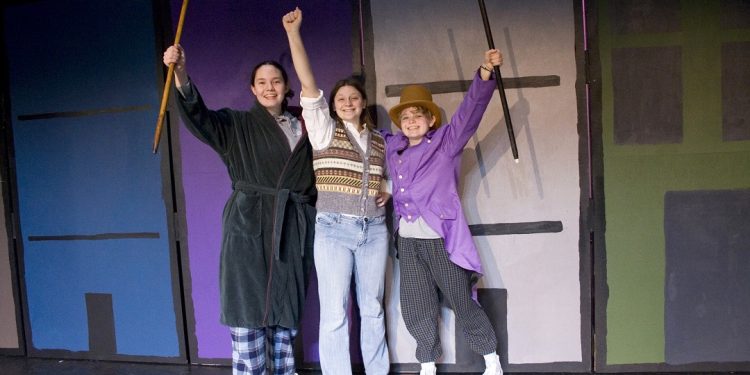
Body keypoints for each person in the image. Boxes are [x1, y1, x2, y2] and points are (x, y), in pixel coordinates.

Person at [163, 44, 317, 375]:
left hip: (292, 228)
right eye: (261, 82)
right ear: (252, 88)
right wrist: (180, 72)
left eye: (275, 81)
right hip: (249, 227)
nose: (269, 87)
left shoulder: (306, 126)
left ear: (286, 86)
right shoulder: (238, 125)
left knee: (285, 315)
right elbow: (199, 116)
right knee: (248, 310)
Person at [383, 49, 505, 375]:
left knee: (461, 300)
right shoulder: (392, 148)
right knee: (416, 305)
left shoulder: (446, 142)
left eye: (417, 115)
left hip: (440, 239)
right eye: (405, 117)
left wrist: (483, 73)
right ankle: (427, 364)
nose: (411, 122)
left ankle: (491, 359)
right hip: (408, 243)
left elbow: (470, 112)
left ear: (431, 119)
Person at [283, 7, 391, 375]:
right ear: (333, 105)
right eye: (341, 98)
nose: (347, 102)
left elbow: (397, 172)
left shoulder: (378, 139)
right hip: (333, 229)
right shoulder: (324, 130)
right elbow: (309, 86)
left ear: (362, 102)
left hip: (374, 230)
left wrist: (388, 188)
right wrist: (294, 35)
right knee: (334, 312)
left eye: (354, 98)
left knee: (372, 307)